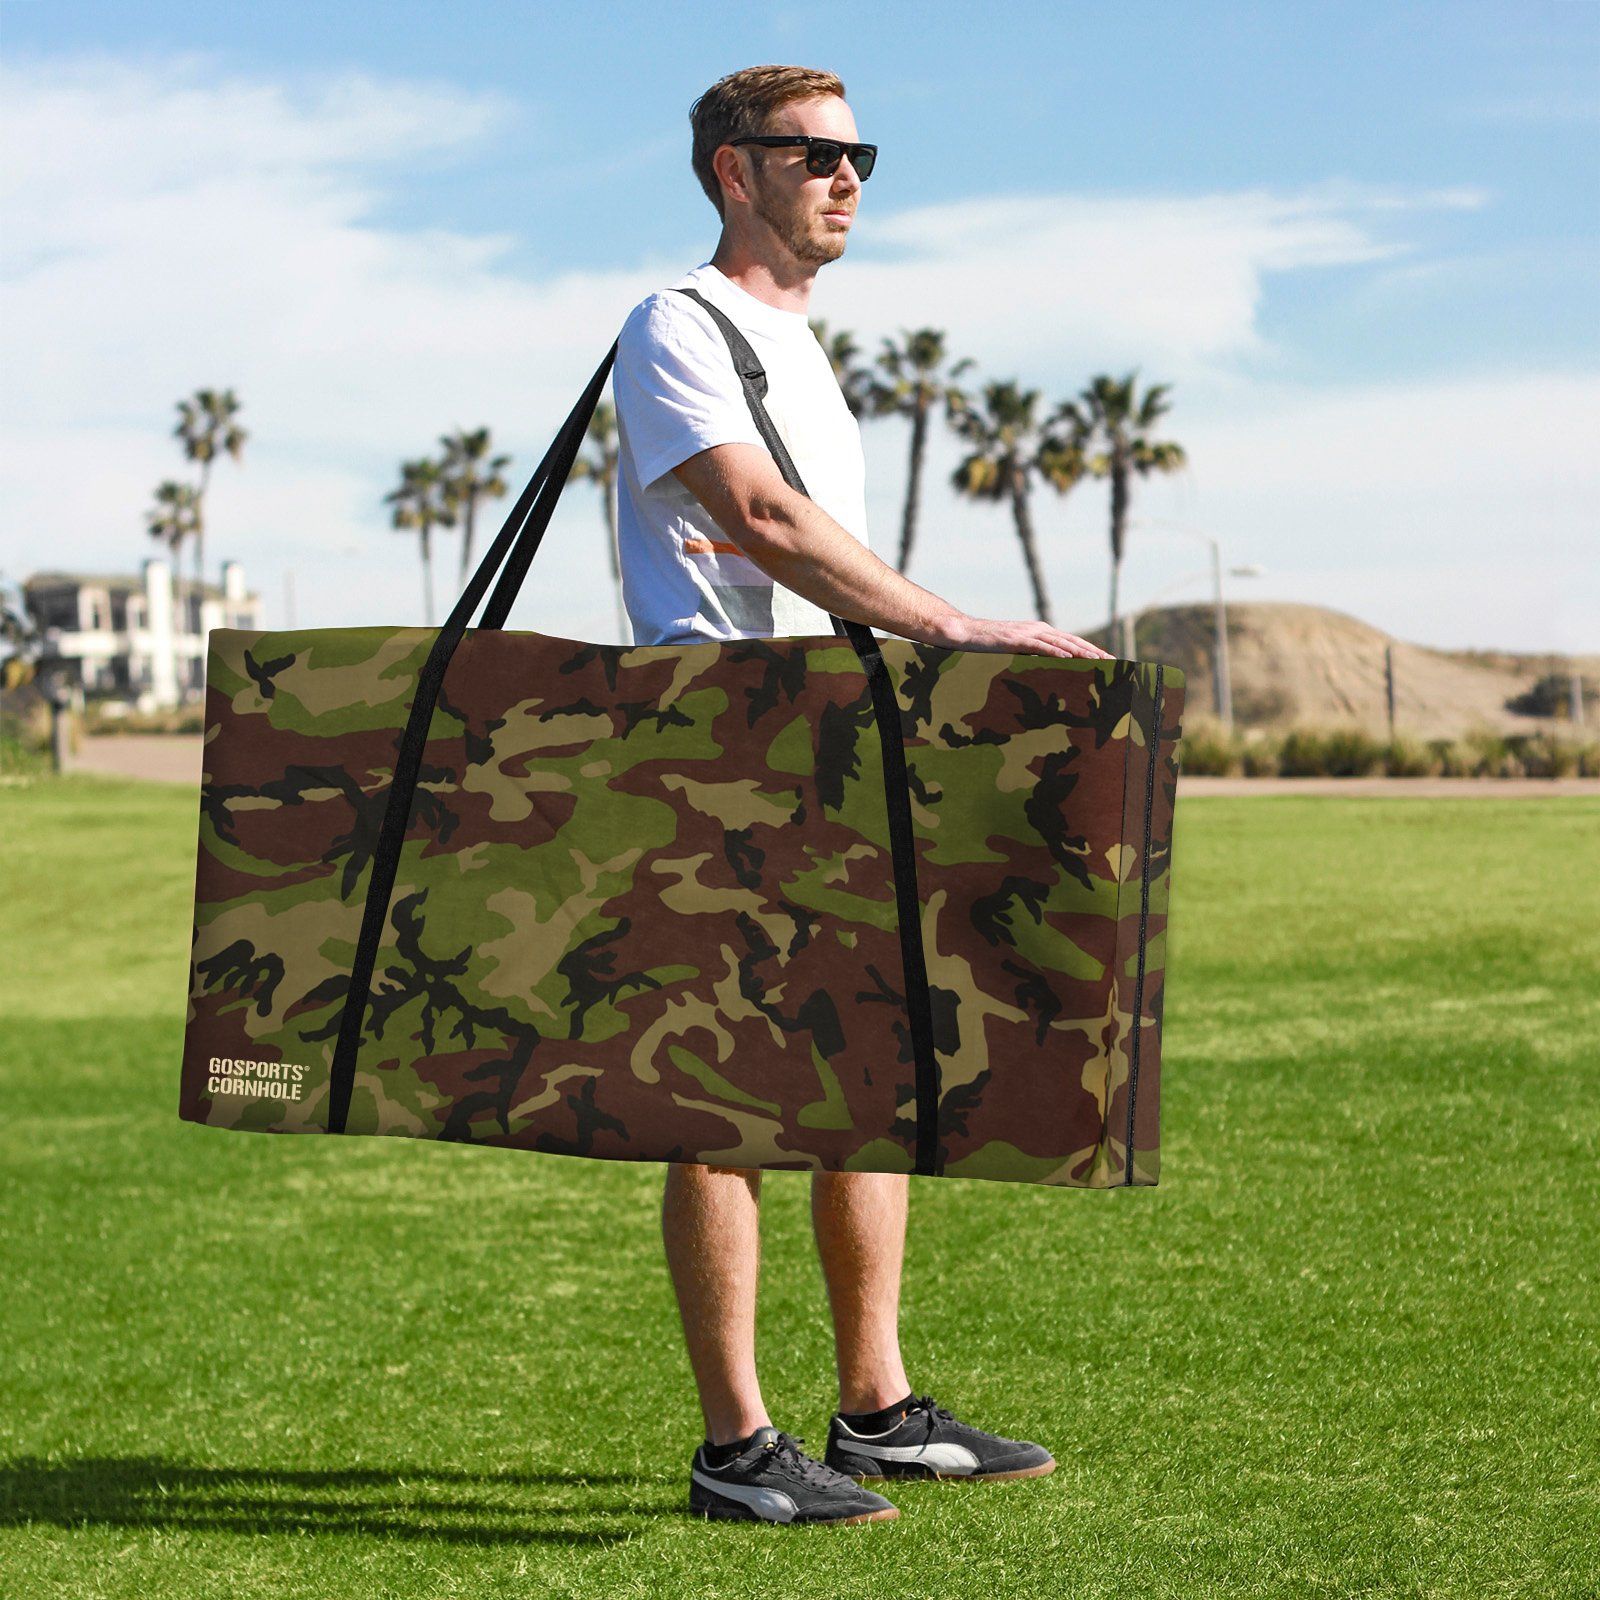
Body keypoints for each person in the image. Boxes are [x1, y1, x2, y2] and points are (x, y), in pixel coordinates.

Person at [609, 63, 1115, 1528]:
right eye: (814, 155)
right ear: (731, 170)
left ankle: (877, 1408)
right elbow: (756, 518)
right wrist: (949, 623)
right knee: (717, 1099)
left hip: (830, 735)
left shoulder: (806, 349)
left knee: (861, 1078)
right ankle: (735, 1444)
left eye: (860, 157)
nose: (847, 180)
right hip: (716, 741)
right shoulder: (675, 325)